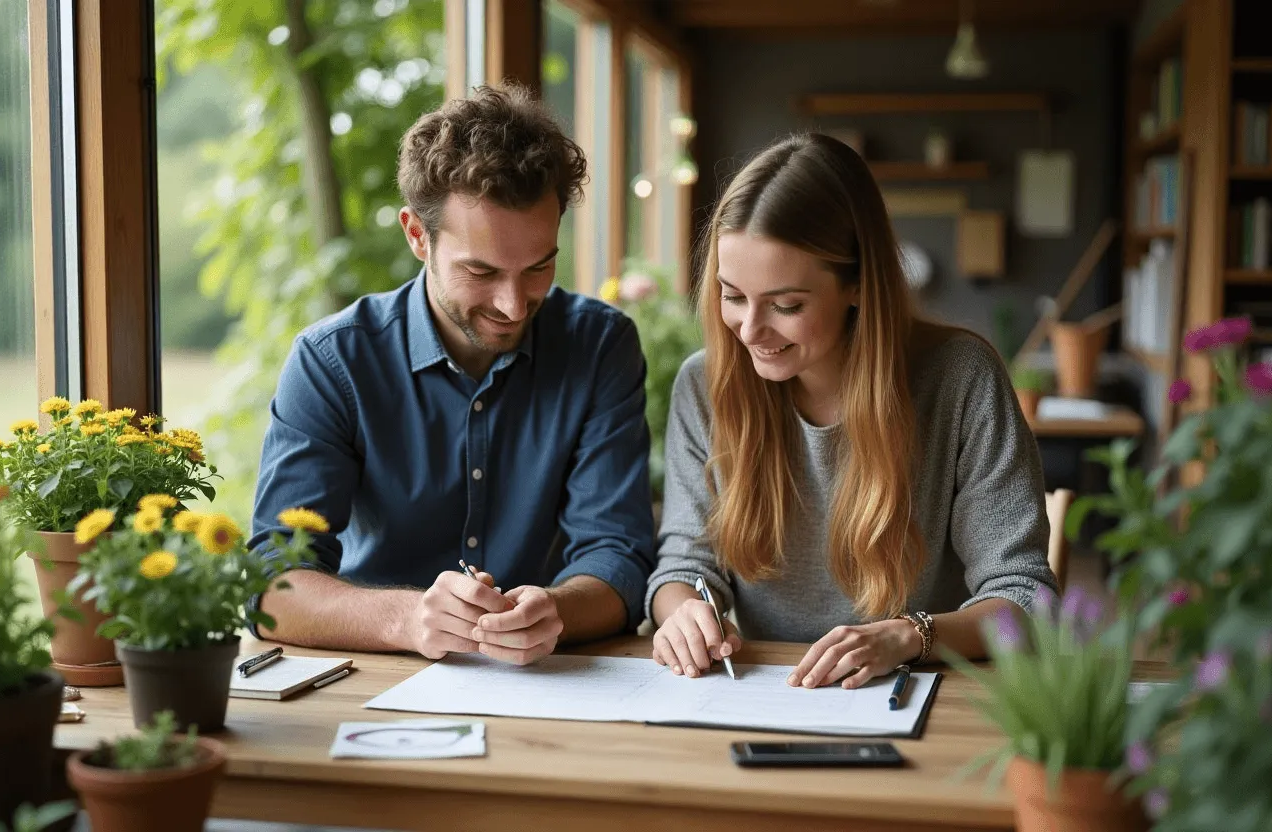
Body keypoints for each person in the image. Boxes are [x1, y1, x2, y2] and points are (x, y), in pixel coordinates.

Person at [248, 84, 656, 664]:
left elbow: (618, 556)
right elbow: (273, 582)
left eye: (539, 266)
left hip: (552, 677)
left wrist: (555, 611)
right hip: (376, 672)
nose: (514, 304)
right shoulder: (333, 362)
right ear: (417, 235)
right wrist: (408, 618)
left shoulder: (600, 347)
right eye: (481, 271)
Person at [647, 133, 1058, 689]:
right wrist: (683, 616)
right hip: (772, 694)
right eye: (732, 295)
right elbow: (683, 568)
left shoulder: (961, 379)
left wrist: (909, 636)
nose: (748, 331)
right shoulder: (706, 383)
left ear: (859, 285)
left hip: (925, 696)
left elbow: (1028, 602)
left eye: (786, 305)